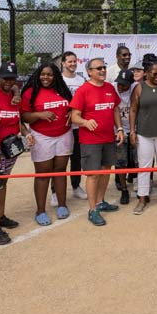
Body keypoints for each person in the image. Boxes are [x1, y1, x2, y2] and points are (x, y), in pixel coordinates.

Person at [70, 58, 124, 226]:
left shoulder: (109, 88)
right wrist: (85, 122)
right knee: (93, 175)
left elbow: (115, 108)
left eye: (104, 67)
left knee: (106, 170)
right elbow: (74, 116)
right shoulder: (83, 90)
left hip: (108, 137)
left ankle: (100, 201)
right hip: (90, 141)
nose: (102, 70)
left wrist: (120, 128)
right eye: (98, 68)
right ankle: (93, 210)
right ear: (89, 72)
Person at [0, 61, 32, 244]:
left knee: (2, 183)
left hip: (10, 147)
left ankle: (1, 215)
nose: (8, 82)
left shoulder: (14, 94)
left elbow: (18, 120)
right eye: (5, 78)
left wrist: (27, 134)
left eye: (12, 79)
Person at [20, 63, 73, 226]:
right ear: (38, 74)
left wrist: (72, 111)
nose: (46, 77)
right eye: (43, 74)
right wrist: (39, 114)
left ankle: (62, 205)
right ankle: (40, 211)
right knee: (43, 173)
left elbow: (71, 106)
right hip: (42, 136)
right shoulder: (30, 92)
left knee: (60, 171)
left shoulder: (63, 90)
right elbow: (24, 117)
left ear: (55, 76)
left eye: (49, 75)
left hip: (64, 134)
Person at [130, 60, 157, 215]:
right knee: (144, 166)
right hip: (144, 134)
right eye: (155, 74)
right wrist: (132, 131)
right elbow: (133, 110)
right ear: (146, 73)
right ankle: (142, 198)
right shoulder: (139, 88)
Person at [59, 51, 88, 204]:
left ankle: (76, 186)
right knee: (59, 161)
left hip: (77, 127)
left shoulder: (81, 80)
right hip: (62, 127)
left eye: (74, 61)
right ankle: (55, 192)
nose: (72, 64)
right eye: (69, 61)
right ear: (63, 63)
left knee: (76, 159)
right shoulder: (59, 80)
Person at [113, 69, 135, 205]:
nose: (120, 87)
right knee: (120, 162)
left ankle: (140, 186)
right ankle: (124, 190)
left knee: (137, 159)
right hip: (118, 130)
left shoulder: (136, 89)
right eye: (119, 84)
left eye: (124, 85)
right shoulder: (112, 88)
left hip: (134, 129)